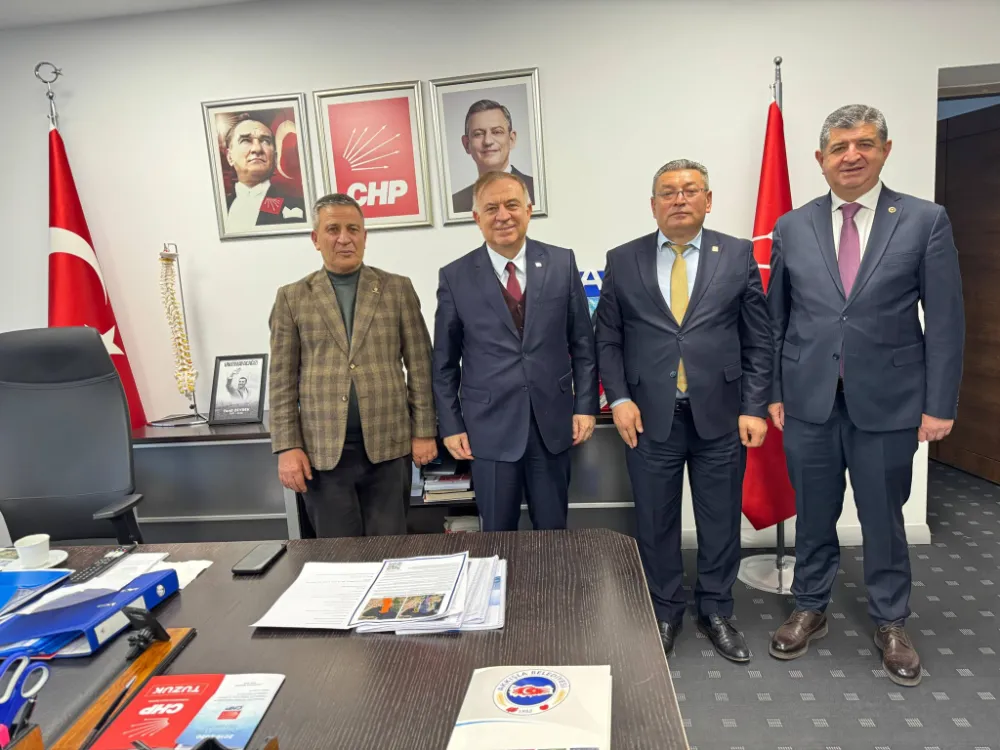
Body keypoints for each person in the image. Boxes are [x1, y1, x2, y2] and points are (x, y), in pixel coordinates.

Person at [767, 105, 965, 687]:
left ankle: (891, 620)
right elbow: (777, 320)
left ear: (885, 150)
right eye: (839, 146)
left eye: (864, 144)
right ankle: (810, 606)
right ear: (820, 159)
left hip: (890, 400)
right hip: (809, 400)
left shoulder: (924, 220)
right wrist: (775, 391)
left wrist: (940, 403)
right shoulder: (792, 226)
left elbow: (945, 320)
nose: (851, 155)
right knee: (814, 513)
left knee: (883, 516)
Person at [594, 160, 772, 663]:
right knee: (655, 521)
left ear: (708, 201)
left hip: (722, 415)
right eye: (668, 192)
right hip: (649, 417)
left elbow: (758, 339)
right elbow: (607, 337)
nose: (679, 199)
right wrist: (619, 399)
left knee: (720, 521)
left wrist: (754, 406)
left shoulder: (736, 254)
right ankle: (665, 609)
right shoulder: (622, 259)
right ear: (652, 205)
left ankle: (716, 610)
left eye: (690, 190)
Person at [433, 171, 598, 531]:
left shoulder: (561, 263)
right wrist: (451, 425)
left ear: (528, 209)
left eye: (512, 205)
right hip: (488, 428)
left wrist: (585, 406)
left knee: (553, 532)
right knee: (496, 534)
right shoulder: (455, 277)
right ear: (477, 218)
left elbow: (583, 344)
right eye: (491, 208)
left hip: (551, 424)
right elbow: (444, 364)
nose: (503, 215)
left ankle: (551, 573)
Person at [269, 193, 437, 537]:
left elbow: (421, 365)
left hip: (389, 448)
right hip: (323, 453)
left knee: (390, 549)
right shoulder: (292, 297)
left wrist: (424, 431)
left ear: (364, 236)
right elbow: (281, 381)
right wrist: (287, 447)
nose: (344, 238)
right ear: (316, 238)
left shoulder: (396, 289)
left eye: (353, 229)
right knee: (338, 555)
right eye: (333, 229)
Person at [451, 100, 535, 214]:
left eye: (497, 132)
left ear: (511, 139)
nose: (488, 141)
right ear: (466, 144)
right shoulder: (456, 204)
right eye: (478, 134)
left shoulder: (536, 190)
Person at [224, 115, 306, 232]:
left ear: (275, 157)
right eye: (246, 140)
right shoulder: (216, 210)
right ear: (230, 157)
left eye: (265, 141)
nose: (257, 149)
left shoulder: (300, 207)